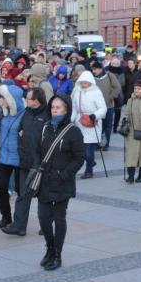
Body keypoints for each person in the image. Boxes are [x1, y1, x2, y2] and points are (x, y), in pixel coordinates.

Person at [37, 95, 84, 270]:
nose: (54, 110)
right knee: (43, 217)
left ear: (66, 109)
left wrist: (64, 174)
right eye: (53, 107)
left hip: (63, 182)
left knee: (59, 217)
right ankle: (49, 248)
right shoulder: (46, 128)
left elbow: (79, 158)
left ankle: (57, 254)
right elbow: (38, 151)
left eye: (58, 107)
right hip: (45, 180)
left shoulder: (73, 131)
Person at [3, 88, 49, 236]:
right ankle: (19, 226)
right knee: (23, 194)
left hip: (41, 162)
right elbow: (20, 129)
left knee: (44, 195)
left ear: (37, 100)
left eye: (28, 99)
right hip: (25, 160)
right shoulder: (27, 112)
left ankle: (47, 225)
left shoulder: (47, 114)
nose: (26, 101)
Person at [0, 84, 25, 229]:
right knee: (2, 188)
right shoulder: (4, 112)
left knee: (21, 192)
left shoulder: (24, 114)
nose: (2, 100)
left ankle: (20, 221)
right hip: (4, 158)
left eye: (4, 98)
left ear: (12, 99)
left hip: (19, 159)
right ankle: (6, 217)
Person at [71, 71, 107, 179]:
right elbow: (74, 107)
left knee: (88, 150)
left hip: (92, 123)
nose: (83, 84)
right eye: (82, 82)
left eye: (85, 83)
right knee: (80, 150)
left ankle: (89, 170)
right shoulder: (77, 92)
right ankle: (91, 162)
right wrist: (71, 119)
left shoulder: (96, 92)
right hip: (80, 122)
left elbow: (103, 108)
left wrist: (95, 115)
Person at [91, 61, 121, 151]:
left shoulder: (109, 76)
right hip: (97, 108)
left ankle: (106, 144)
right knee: (98, 126)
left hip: (109, 106)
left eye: (95, 69)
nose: (93, 71)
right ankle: (98, 143)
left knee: (108, 126)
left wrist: (111, 97)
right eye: (92, 69)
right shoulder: (92, 78)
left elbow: (117, 87)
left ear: (100, 69)